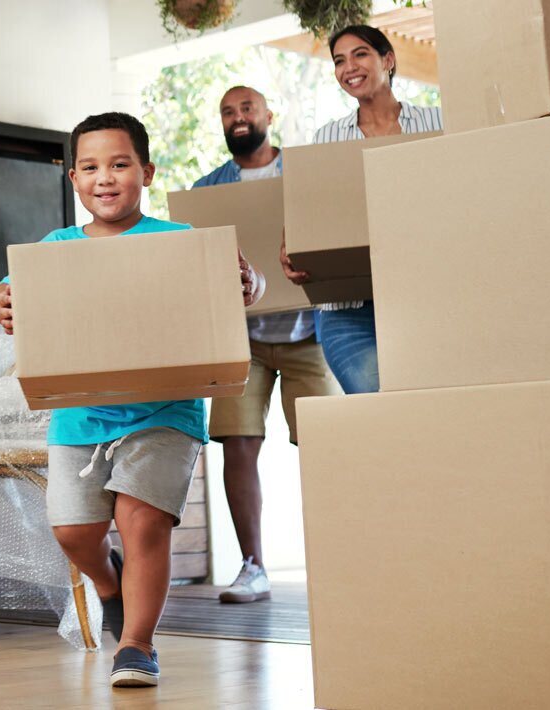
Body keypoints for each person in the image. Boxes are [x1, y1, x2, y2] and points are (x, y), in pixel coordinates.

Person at [0, 112, 261, 689]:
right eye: (90, 167)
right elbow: (13, 293)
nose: (105, 178)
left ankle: (136, 646)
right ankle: (109, 584)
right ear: (73, 179)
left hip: (165, 411)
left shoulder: (177, 240)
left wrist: (248, 284)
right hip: (80, 413)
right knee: (73, 532)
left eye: (119, 165)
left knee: (142, 525)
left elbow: (242, 286)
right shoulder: (55, 248)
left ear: (146, 171)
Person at [190, 86, 341, 604]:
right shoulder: (208, 189)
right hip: (244, 339)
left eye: (246, 108)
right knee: (239, 443)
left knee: (326, 445)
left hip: (310, 332)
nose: (237, 118)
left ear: (268, 116)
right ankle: (252, 566)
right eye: (227, 112)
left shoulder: (303, 174)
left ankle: (338, 558)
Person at [279, 24, 442, 395]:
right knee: (378, 405)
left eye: (360, 54)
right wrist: (293, 244)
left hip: (426, 297)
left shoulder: (438, 124)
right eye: (339, 60)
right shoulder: (327, 138)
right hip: (348, 309)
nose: (348, 66)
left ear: (388, 59)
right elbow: (313, 208)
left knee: (429, 403)